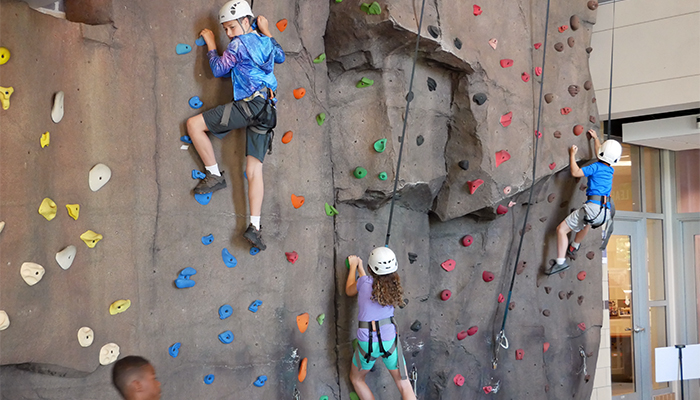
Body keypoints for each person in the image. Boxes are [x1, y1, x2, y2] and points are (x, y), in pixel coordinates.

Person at [187, 0, 285, 250]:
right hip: (268, 112)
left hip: (249, 106)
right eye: (225, 30)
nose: (228, 34)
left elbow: (219, 69)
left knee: (194, 125)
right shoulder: (266, 41)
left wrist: (211, 43)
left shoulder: (239, 44)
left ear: (245, 21)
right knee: (254, 171)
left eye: (231, 27)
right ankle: (254, 226)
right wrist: (266, 30)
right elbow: (281, 57)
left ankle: (214, 174)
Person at [546, 129, 622, 275]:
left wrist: (572, 155)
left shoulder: (595, 167)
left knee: (561, 230)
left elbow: (576, 173)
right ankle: (574, 246)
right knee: (586, 222)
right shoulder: (609, 169)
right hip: (605, 212)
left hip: (593, 208)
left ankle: (560, 262)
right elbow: (601, 155)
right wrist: (595, 139)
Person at [345, 248, 416, 400]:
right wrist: (361, 269)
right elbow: (370, 285)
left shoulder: (363, 283)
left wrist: (354, 266)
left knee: (357, 379)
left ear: (371, 268)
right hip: (389, 340)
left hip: (367, 343)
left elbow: (351, 290)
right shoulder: (392, 287)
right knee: (404, 384)